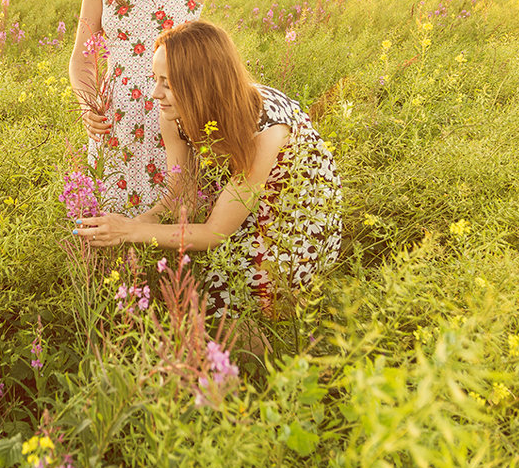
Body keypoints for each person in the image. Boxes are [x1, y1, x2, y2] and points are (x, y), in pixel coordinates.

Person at [74, 19, 342, 318]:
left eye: (168, 83)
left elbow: (215, 233)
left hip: (297, 212)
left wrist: (131, 231)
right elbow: (181, 197)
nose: (154, 93)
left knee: (241, 300)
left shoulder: (266, 128)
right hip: (244, 196)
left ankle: (273, 351)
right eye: (155, 78)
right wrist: (126, 226)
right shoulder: (173, 114)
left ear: (201, 85)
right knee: (218, 287)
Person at [68, 0, 233, 216]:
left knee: (181, 211)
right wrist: (87, 105)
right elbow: (83, 57)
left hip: (178, 111)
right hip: (115, 120)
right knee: (113, 214)